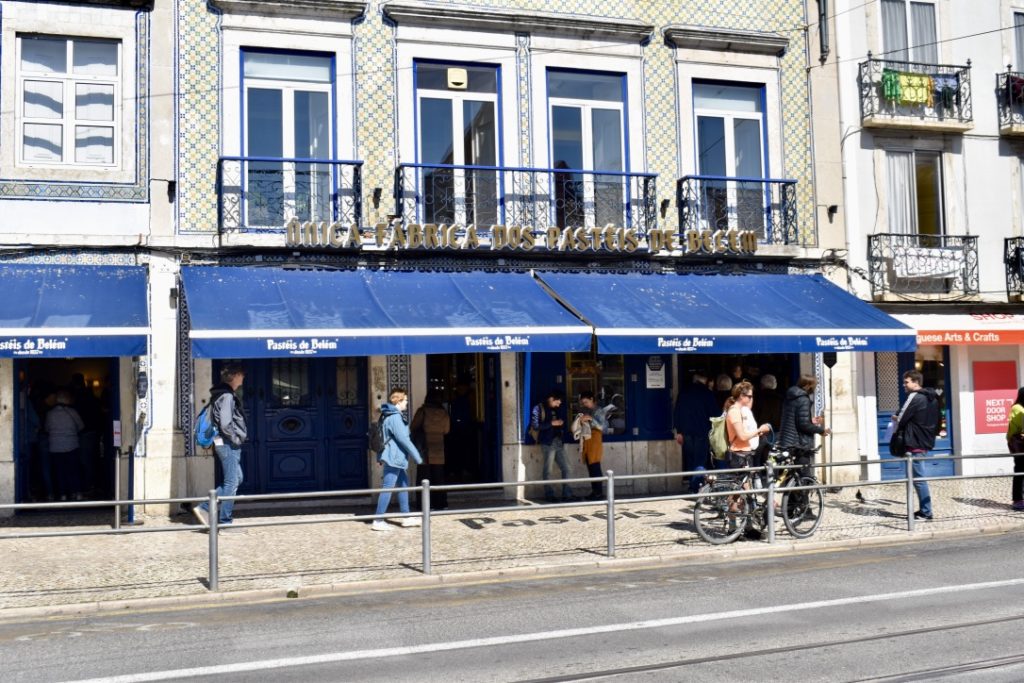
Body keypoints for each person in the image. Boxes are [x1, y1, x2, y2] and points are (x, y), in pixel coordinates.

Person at [192, 364, 247, 528]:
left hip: (225, 442)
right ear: (235, 376)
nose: (243, 377)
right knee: (231, 482)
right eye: (241, 374)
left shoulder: (221, 394)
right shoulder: (227, 396)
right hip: (227, 443)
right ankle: (223, 519)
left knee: (237, 478)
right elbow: (225, 423)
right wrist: (235, 439)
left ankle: (206, 507)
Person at [891, 370, 940, 521]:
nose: (904, 385)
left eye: (906, 382)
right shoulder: (932, 398)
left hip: (913, 442)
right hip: (924, 441)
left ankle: (926, 512)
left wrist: (896, 417)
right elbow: (938, 421)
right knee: (917, 478)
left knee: (918, 479)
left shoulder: (915, 397)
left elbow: (901, 418)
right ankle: (923, 510)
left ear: (916, 382)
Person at [371, 388, 423, 531]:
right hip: (394, 457)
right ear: (398, 400)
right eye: (405, 400)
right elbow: (404, 440)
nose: (407, 402)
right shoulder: (395, 417)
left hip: (394, 456)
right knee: (388, 487)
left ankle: (406, 517)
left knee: (403, 485)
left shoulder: (389, 414)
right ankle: (378, 520)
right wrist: (417, 457)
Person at [778, 374, 831, 477]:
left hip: (787, 440)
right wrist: (821, 430)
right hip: (799, 443)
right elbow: (803, 425)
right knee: (805, 476)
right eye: (814, 386)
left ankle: (791, 492)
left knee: (793, 476)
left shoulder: (790, 397)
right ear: (807, 385)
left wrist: (810, 420)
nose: (814, 388)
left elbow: (794, 419)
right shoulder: (803, 399)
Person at [532, 389, 576, 503]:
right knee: (548, 470)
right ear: (551, 399)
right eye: (558, 401)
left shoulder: (557, 409)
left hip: (558, 441)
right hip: (547, 443)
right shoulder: (538, 408)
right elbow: (536, 426)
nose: (559, 404)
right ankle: (549, 494)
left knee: (567, 468)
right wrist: (551, 423)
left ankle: (567, 494)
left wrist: (560, 423)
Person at [411, 390, 450, 510]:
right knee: (439, 478)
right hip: (438, 448)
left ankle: (424, 505)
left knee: (423, 477)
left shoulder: (422, 411)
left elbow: (413, 427)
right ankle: (440, 504)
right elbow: (446, 430)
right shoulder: (444, 413)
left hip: (424, 449)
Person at [673, 371, 718, 474]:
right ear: (704, 380)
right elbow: (715, 413)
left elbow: (677, 412)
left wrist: (679, 431)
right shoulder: (707, 393)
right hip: (702, 431)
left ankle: (691, 484)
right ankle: (697, 485)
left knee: (690, 459)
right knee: (700, 460)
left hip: (686, 432)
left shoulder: (683, 392)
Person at [45, 390, 84, 502]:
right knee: (73, 470)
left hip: (55, 447)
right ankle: (77, 493)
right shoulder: (73, 412)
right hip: (72, 445)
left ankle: (63, 494)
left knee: (60, 471)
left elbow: (47, 428)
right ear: (67, 400)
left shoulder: (50, 413)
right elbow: (81, 426)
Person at [575, 391, 611, 500]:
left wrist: (591, 419)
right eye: (582, 403)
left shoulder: (599, 411)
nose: (584, 404)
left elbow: (603, 428)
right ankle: (594, 491)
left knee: (595, 467)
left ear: (591, 399)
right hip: (587, 440)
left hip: (595, 440)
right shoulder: (586, 410)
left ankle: (598, 493)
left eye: (586, 402)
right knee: (590, 468)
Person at [1007, 386, 1024, 510]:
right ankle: (1017, 499)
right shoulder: (1017, 408)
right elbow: (1016, 427)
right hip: (1019, 445)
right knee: (1019, 471)